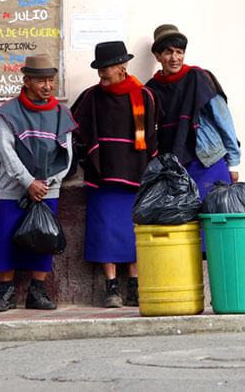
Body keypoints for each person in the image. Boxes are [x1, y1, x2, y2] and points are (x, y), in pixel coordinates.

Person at [72, 41, 161, 308]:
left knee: (132, 231)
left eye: (106, 68)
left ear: (123, 67)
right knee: (104, 231)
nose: (101, 74)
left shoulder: (143, 96)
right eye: (99, 69)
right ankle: (112, 288)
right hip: (102, 176)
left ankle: (134, 286)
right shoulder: (91, 96)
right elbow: (75, 127)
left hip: (135, 175)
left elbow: (153, 138)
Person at [0, 54, 77, 312]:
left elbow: (67, 155)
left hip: (48, 187)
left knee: (44, 236)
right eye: (40, 81)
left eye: (50, 81)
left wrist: (47, 183)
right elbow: (6, 151)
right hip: (14, 188)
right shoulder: (9, 112)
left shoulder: (62, 114)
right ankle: (5, 292)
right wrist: (28, 182)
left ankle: (37, 292)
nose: (47, 86)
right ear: (26, 81)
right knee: (6, 236)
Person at [146, 24, 241, 222]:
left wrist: (233, 163)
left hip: (208, 161)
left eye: (179, 52)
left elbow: (224, 121)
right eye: (168, 52)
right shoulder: (151, 89)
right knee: (185, 225)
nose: (174, 58)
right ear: (157, 56)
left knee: (214, 219)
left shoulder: (199, 78)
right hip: (176, 168)